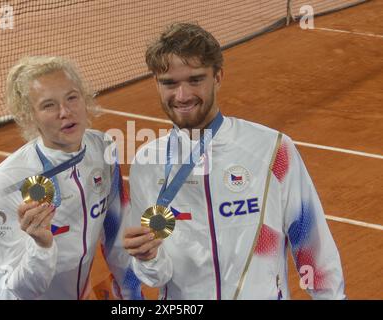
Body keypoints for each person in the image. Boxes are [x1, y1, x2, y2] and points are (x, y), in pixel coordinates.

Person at [123, 23, 346, 300]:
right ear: (156, 84)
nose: (182, 96)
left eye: (195, 80)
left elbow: (312, 244)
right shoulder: (147, 163)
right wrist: (148, 259)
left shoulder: (272, 149)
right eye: (169, 83)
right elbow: (156, 275)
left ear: (218, 77)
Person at [0, 56, 141, 300]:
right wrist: (42, 246)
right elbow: (18, 288)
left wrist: (133, 294)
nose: (65, 112)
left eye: (72, 97)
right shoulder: (8, 180)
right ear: (29, 115)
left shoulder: (102, 147)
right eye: (48, 105)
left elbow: (116, 232)